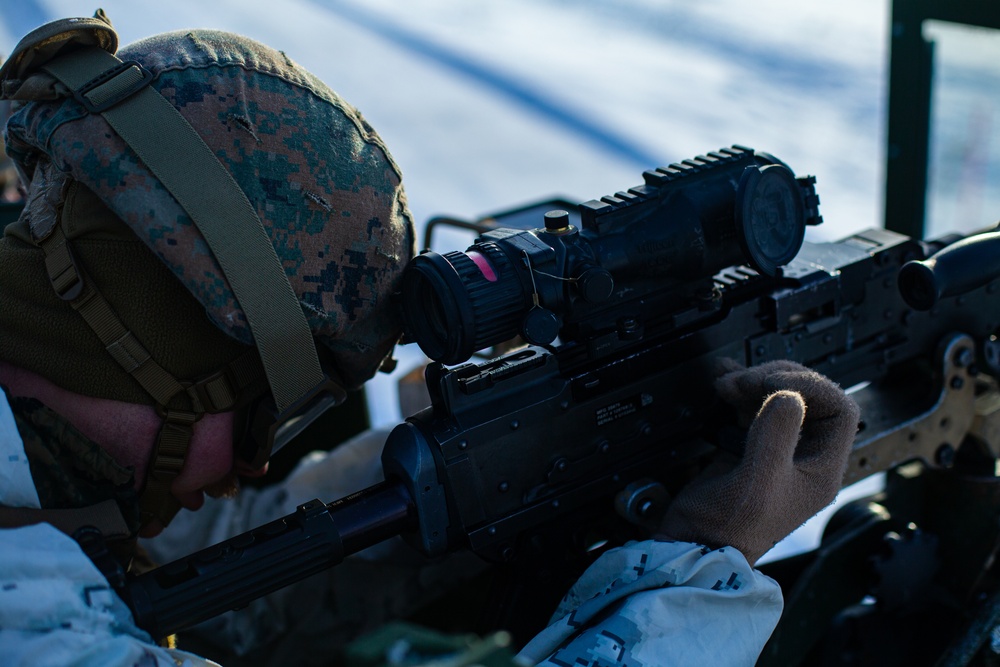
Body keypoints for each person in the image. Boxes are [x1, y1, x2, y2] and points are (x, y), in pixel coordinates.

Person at [0, 11, 860, 667]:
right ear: (151, 351)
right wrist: (697, 580)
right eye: (269, 413)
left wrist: (459, 469)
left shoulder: (46, 483)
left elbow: (191, 565)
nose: (254, 464)